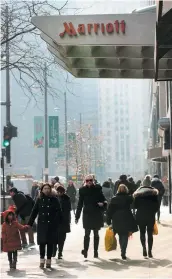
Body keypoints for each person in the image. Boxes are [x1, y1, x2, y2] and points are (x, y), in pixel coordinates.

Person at [27, 183, 62, 269]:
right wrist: (29, 224)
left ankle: (49, 260)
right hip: (42, 225)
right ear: (42, 190)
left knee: (50, 243)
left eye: (48, 188)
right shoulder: (39, 199)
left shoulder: (54, 199)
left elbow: (59, 212)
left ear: (50, 190)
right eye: (45, 188)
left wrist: (56, 222)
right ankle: (42, 260)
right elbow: (34, 211)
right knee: (42, 243)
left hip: (51, 225)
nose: (46, 190)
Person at [75, 174, 107, 258]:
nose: (89, 182)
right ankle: (85, 250)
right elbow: (80, 204)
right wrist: (77, 216)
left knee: (96, 234)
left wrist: (102, 204)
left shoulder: (98, 188)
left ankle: (95, 252)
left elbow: (104, 200)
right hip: (87, 214)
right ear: (85, 181)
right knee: (87, 234)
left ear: (93, 181)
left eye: (90, 180)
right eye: (87, 180)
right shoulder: (82, 190)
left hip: (96, 213)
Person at [107, 184, 138, 260]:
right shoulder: (128, 198)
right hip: (126, 217)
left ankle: (122, 249)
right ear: (126, 190)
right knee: (125, 235)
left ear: (118, 190)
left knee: (120, 234)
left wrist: (108, 220)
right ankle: (123, 251)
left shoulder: (114, 199)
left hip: (116, 218)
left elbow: (110, 210)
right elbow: (133, 203)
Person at [133, 185, 159, 258]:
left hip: (141, 215)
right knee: (150, 233)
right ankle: (150, 251)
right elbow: (156, 207)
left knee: (142, 232)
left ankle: (144, 248)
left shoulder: (138, 195)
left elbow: (135, 206)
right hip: (150, 215)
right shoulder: (154, 195)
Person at [53, 185, 71, 259]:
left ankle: (60, 252)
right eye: (58, 192)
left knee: (62, 238)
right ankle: (54, 250)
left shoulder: (67, 199)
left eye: (61, 192)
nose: (59, 193)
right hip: (55, 221)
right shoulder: (54, 198)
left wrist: (68, 220)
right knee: (54, 237)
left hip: (64, 221)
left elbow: (68, 210)